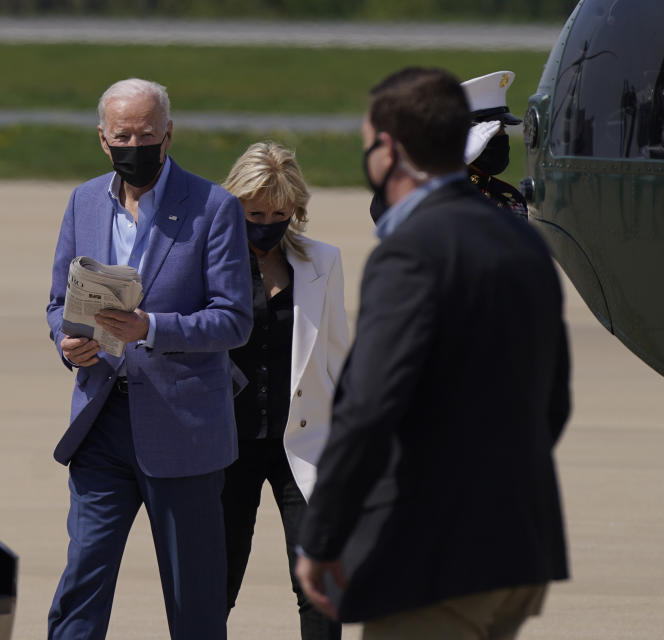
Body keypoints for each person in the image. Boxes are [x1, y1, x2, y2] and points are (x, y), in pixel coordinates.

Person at [294, 67, 570, 639]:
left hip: (437, 556)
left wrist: (320, 539)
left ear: (389, 149)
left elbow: (368, 408)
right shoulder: (522, 239)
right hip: (519, 547)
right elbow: (554, 400)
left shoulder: (412, 252)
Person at [45, 77, 253, 640]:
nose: (133, 146)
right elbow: (59, 302)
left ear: (168, 135)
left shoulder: (214, 208)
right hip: (100, 419)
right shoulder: (84, 201)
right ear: (102, 139)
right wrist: (67, 343)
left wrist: (151, 328)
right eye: (122, 136)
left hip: (182, 430)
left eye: (145, 134)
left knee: (194, 597)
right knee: (81, 581)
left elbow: (234, 319)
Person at [220, 142, 348, 640]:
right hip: (227, 446)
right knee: (219, 578)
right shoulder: (207, 261)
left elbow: (336, 354)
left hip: (303, 444)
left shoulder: (323, 261)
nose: (267, 223)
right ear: (233, 204)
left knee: (320, 581)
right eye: (255, 212)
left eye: (280, 213)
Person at [462, 70, 528, 217]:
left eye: (503, 127)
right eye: (492, 130)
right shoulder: (449, 194)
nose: (502, 136)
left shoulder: (507, 196)